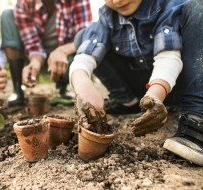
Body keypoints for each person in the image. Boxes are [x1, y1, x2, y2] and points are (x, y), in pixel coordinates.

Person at [70, 0, 203, 166]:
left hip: (176, 85)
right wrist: (83, 85)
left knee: (198, 7)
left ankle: (196, 120)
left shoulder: (166, 6)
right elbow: (84, 58)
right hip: (143, 91)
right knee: (83, 37)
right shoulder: (107, 16)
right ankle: (128, 102)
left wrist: (156, 94)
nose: (117, 1)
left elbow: (168, 57)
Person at [0, 0, 92, 106]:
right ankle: (17, 88)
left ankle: (62, 87)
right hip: (36, 58)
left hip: (67, 59)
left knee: (85, 53)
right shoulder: (24, 2)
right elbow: (32, 44)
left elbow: (85, 38)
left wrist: (61, 51)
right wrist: (35, 62)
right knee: (7, 15)